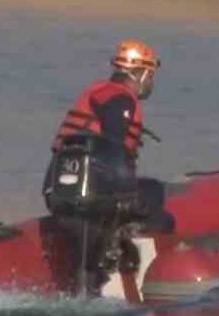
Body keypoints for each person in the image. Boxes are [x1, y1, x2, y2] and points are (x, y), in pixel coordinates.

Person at [43, 39, 173, 290]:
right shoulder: (121, 100)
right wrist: (132, 197)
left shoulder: (99, 91)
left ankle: (96, 261)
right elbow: (114, 151)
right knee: (159, 207)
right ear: (142, 72)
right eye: (151, 75)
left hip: (57, 191)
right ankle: (133, 268)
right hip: (94, 195)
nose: (151, 82)